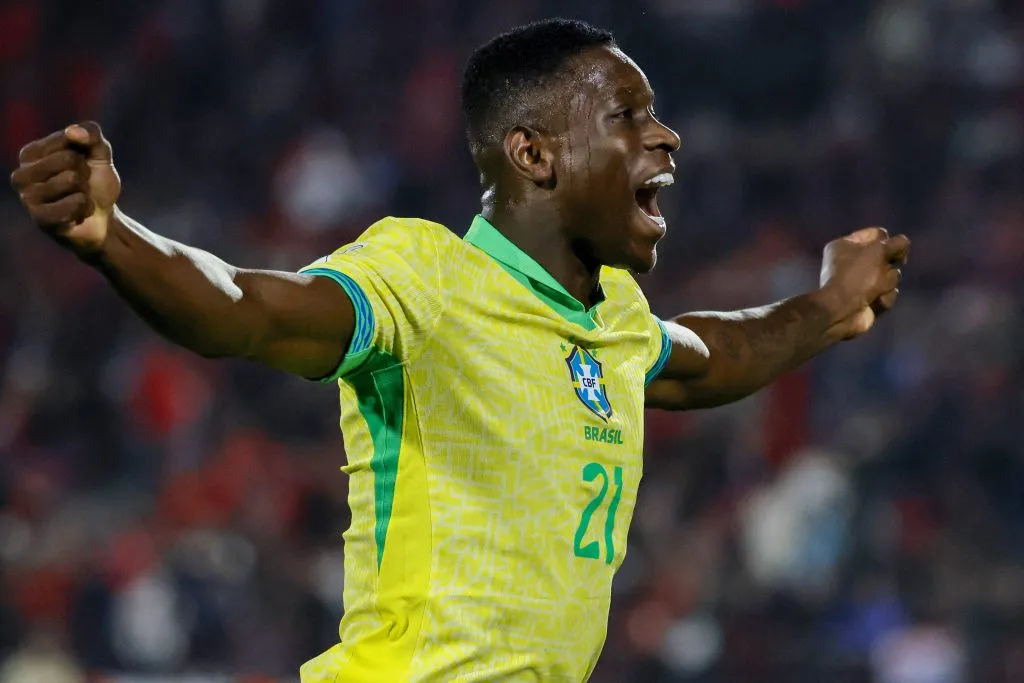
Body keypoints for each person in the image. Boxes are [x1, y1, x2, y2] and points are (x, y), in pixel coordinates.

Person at [9, 17, 908, 683]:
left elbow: (716, 355)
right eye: (628, 115)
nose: (664, 136)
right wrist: (113, 235)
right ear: (535, 154)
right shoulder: (426, 278)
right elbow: (248, 308)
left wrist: (830, 306)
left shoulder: (615, 319)